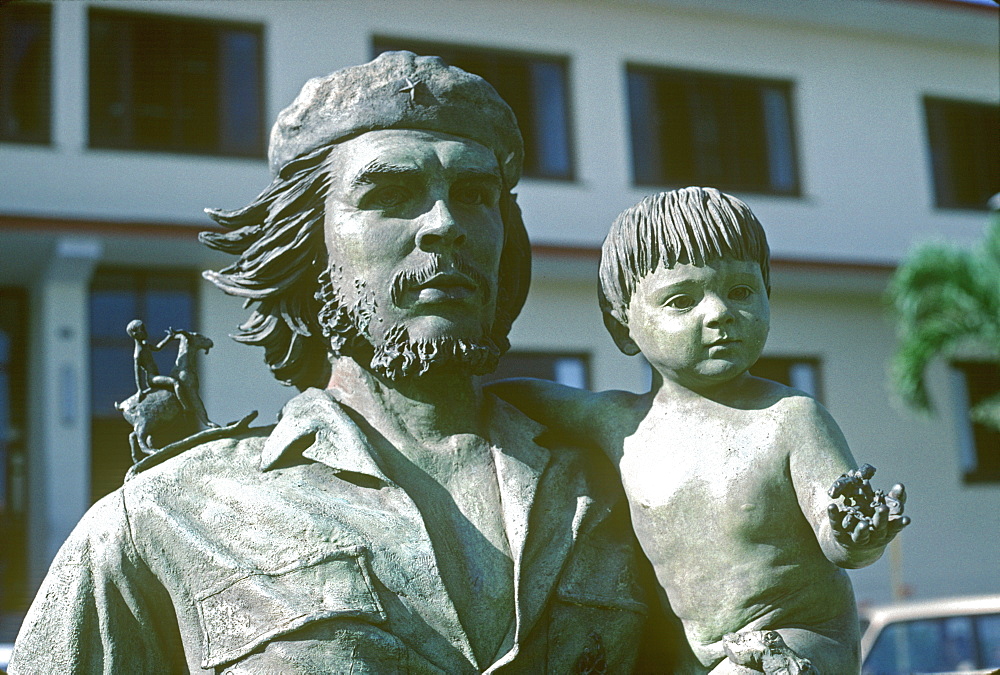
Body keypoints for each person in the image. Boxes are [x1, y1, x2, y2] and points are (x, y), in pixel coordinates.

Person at [9, 52, 669, 673]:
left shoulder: (626, 486)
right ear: (310, 241)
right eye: (391, 192)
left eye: (474, 194)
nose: (444, 223)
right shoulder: (160, 517)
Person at [492, 187, 910, 673]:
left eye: (740, 292)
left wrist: (857, 534)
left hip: (800, 642)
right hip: (693, 660)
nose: (718, 313)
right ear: (622, 326)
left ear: (766, 296)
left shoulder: (790, 418)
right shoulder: (617, 422)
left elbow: (835, 536)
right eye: (682, 300)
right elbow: (519, 394)